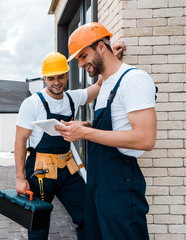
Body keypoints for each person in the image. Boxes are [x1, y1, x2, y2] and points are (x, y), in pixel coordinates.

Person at [55, 22, 157, 240]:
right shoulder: (107, 84)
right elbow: (117, 126)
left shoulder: (133, 80)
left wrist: (85, 134)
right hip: (99, 180)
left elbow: (145, 139)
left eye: (83, 56)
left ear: (101, 46)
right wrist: (87, 127)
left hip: (120, 182)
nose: (81, 64)